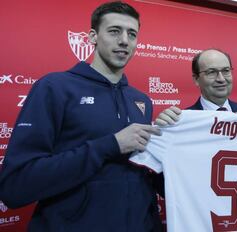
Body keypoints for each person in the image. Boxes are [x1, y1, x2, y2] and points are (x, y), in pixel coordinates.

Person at [0, 2, 163, 231]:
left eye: (132, 34)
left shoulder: (142, 100)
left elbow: (145, 176)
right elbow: (15, 187)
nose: (125, 40)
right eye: (114, 31)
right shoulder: (54, 88)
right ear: (92, 37)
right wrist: (110, 145)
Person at [155, 49, 237, 126]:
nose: (221, 79)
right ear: (196, 79)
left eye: (226, 71)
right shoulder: (180, 122)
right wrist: (161, 128)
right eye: (211, 72)